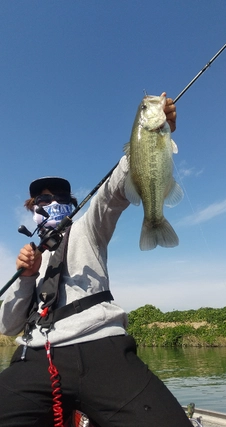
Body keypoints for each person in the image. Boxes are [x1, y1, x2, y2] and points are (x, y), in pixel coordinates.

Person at [0, 97, 192, 427]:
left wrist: (145, 142)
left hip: (103, 347)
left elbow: (114, 192)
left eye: (60, 198)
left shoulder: (89, 227)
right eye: (43, 199)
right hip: (36, 354)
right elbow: (8, 326)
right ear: (32, 208)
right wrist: (26, 278)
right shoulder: (27, 258)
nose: (52, 202)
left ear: (71, 203)